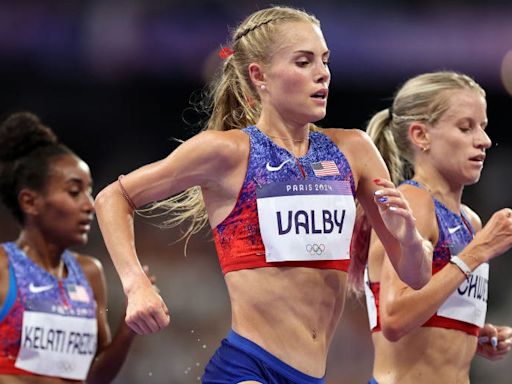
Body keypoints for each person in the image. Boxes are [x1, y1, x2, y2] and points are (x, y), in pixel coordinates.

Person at [94, 6, 432, 383]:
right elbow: (112, 198)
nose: (322, 73)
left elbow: (416, 278)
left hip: (313, 374)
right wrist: (135, 283)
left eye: (325, 60)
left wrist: (410, 239)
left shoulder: (354, 151)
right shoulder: (227, 153)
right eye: (303, 62)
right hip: (246, 368)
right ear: (260, 76)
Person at [363, 71, 512, 384]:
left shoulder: (470, 220)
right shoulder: (413, 203)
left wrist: (467, 334)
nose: (484, 140)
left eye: (483, 127)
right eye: (465, 127)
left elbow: (429, 309)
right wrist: (479, 250)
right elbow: (394, 318)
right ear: (421, 136)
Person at [0, 111, 155, 383]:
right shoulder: (3, 267)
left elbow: (94, 377)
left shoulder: (89, 274)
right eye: (74, 192)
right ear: (30, 202)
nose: (90, 204)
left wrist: (129, 328)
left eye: (89, 191)